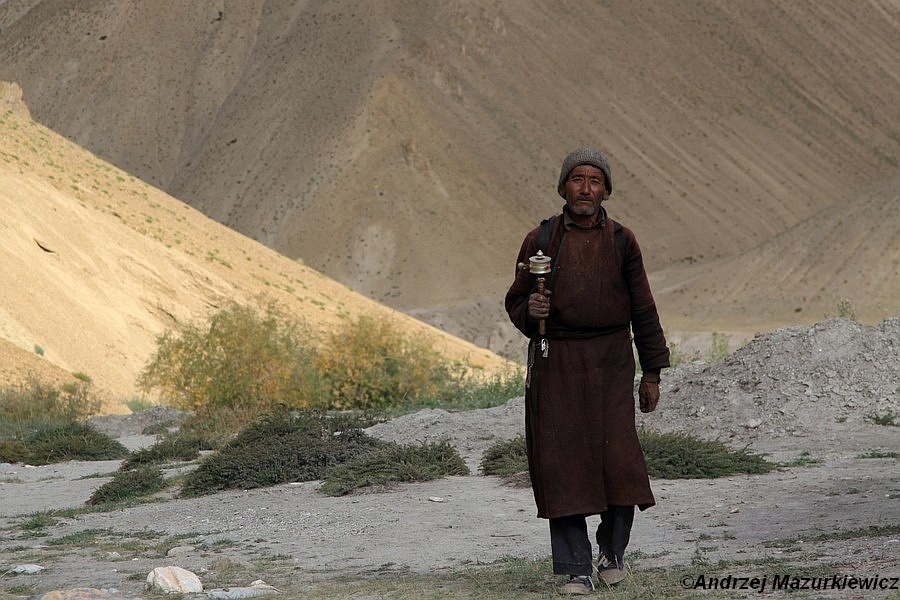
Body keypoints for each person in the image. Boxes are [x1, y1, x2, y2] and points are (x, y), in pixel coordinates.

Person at [504, 147, 670, 594]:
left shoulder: (622, 240)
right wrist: (530, 309)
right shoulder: (540, 240)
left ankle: (612, 553)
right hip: (556, 364)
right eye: (577, 179)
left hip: (612, 363)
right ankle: (574, 567)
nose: (585, 189)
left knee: (621, 462)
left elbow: (644, 308)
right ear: (563, 187)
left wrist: (651, 371)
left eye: (594, 181)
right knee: (563, 466)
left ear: (606, 191)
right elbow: (516, 301)